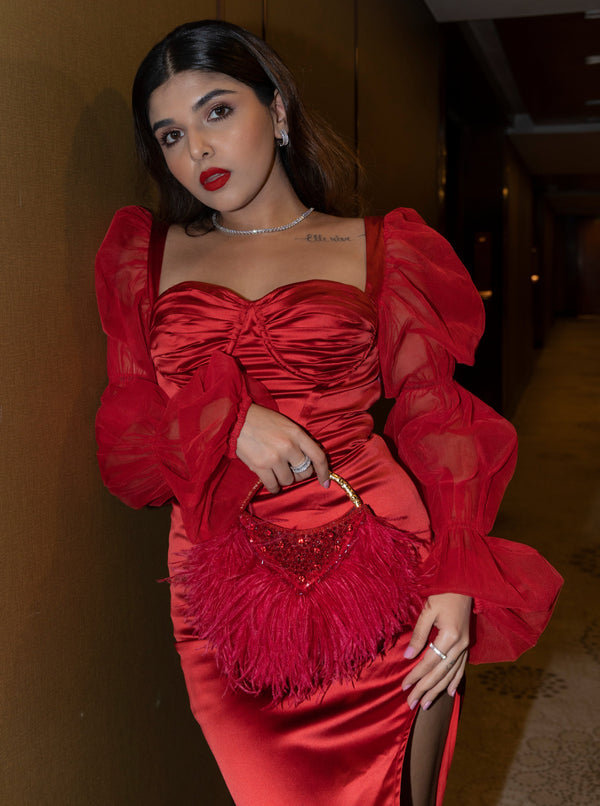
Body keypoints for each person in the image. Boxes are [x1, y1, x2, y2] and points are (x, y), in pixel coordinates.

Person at [95, 19, 562, 806]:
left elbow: (436, 418)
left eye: (217, 112)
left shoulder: (382, 247)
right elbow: (127, 450)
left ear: (276, 111)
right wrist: (228, 422)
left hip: (385, 554)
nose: (197, 150)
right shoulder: (146, 257)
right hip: (219, 585)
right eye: (170, 133)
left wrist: (454, 577)